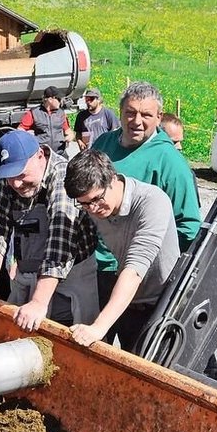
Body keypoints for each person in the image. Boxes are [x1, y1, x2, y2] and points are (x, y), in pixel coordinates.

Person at [0, 131, 96, 331]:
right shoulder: (9, 176)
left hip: (70, 276)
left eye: (21, 175)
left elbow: (60, 243)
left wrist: (38, 302)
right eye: (10, 177)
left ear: (39, 156)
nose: (16, 184)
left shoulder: (63, 175)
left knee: (66, 335)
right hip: (27, 270)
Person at [90, 82, 200, 307]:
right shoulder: (103, 144)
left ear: (159, 117)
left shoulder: (169, 162)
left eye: (146, 114)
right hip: (97, 266)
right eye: (130, 113)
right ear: (120, 113)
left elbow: (189, 227)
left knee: (133, 341)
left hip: (141, 279)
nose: (136, 121)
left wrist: (154, 262)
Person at [62, 148, 178, 350]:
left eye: (97, 199)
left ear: (113, 179)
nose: (93, 209)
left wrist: (98, 328)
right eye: (84, 204)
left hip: (163, 306)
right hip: (130, 304)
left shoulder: (152, 202)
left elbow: (134, 270)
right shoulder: (93, 206)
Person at [19, 86, 73, 156]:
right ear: (50, 99)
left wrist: (70, 136)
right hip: (41, 155)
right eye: (59, 99)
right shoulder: (33, 113)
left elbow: (68, 131)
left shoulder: (61, 113)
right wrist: (29, 140)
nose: (61, 102)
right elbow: (20, 131)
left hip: (59, 154)